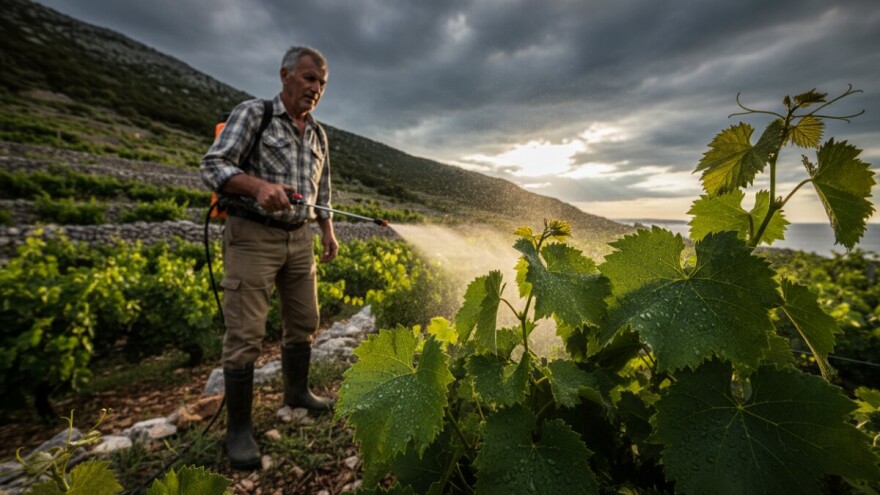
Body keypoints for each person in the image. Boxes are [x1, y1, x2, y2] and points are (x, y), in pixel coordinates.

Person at [200, 46, 337, 470]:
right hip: (252, 237)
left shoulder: (318, 134)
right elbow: (213, 165)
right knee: (245, 333)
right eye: (309, 78)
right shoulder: (253, 114)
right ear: (286, 76)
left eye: (322, 83)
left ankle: (296, 392)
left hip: (299, 240)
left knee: (304, 321)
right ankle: (238, 430)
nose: (315, 88)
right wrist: (258, 187)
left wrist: (327, 230)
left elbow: (323, 191)